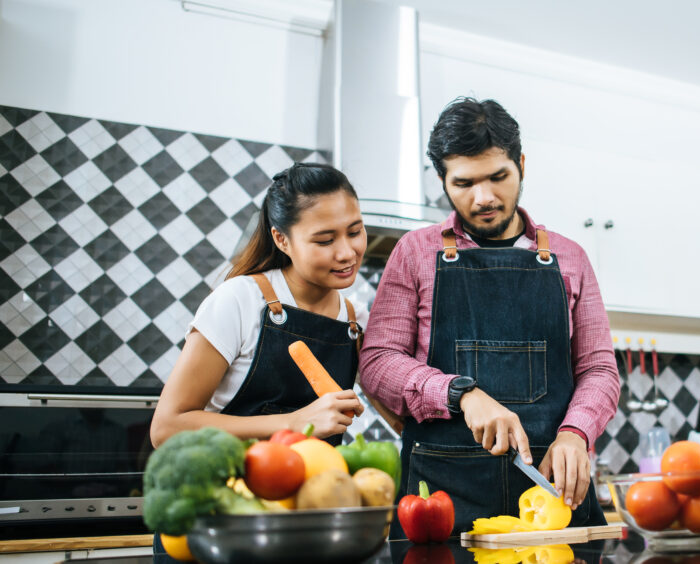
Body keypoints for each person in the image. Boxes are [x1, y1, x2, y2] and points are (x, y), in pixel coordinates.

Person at [359, 97, 620, 537]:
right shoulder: (414, 252)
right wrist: (460, 393)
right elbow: (377, 361)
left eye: (498, 177)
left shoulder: (571, 257)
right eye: (464, 183)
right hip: (441, 499)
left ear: (521, 165)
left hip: (552, 494)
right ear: (442, 180)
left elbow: (599, 369)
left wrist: (576, 433)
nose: (484, 198)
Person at [150, 163, 384, 449]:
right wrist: (294, 423)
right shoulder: (239, 300)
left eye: (355, 232)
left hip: (317, 479)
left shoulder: (356, 322)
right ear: (281, 239)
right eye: (325, 240)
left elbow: (400, 418)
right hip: (229, 477)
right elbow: (167, 427)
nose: (347, 253)